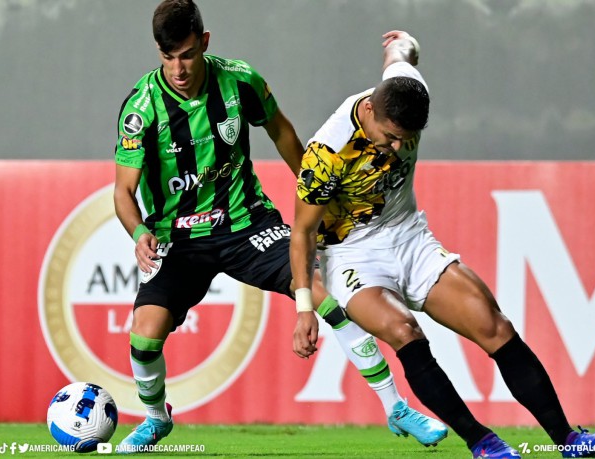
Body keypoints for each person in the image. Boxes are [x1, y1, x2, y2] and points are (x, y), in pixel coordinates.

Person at [113, 0, 446, 452]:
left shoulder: (239, 80)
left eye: (187, 54)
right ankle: (155, 418)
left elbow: (283, 133)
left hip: (247, 223)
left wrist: (316, 194)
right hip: (179, 237)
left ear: (204, 43)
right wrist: (139, 233)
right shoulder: (142, 108)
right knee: (144, 333)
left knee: (321, 291)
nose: (179, 68)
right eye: (168, 56)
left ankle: (396, 408)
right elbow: (123, 193)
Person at [290, 29, 595, 459]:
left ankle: (568, 439)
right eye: (390, 137)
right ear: (369, 110)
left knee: (494, 326)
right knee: (405, 331)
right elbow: (304, 232)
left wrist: (405, 42)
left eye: (407, 138)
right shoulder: (326, 152)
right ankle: (483, 443)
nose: (399, 147)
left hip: (410, 236)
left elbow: (401, 52)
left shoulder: (406, 89)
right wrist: (305, 307)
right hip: (353, 255)